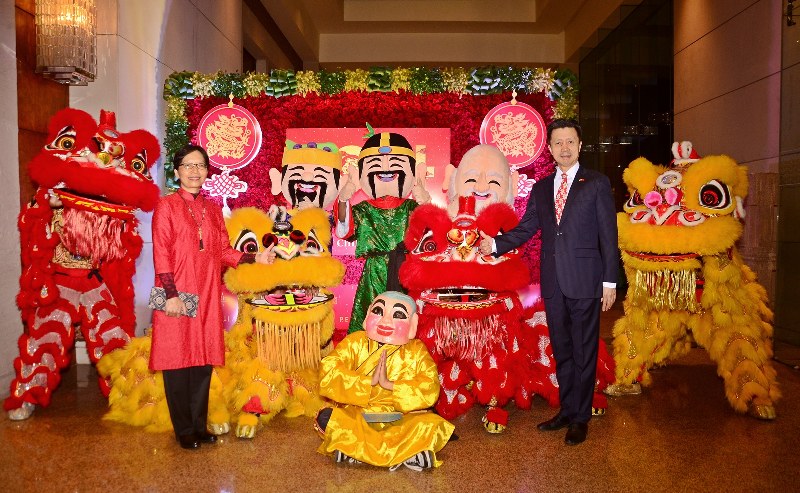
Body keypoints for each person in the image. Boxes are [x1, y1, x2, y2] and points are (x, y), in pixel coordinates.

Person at [479, 119, 618, 445]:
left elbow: (608, 237)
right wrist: (496, 245)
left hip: (586, 281)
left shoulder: (596, 183)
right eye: (558, 143)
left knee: (585, 351)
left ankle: (580, 418)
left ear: (580, 145)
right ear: (551, 148)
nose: (565, 148)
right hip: (554, 282)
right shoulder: (542, 188)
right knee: (563, 350)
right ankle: (567, 411)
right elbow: (528, 227)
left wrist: (610, 282)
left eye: (570, 142)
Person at [149, 144, 274, 449]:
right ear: (177, 171)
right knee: (177, 360)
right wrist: (171, 295)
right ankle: (184, 431)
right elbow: (161, 254)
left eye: (200, 166)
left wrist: (254, 257)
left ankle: (198, 425)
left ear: (207, 171)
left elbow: (223, 251)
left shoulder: (213, 209)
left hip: (206, 293)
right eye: (188, 166)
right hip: (175, 293)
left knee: (202, 360)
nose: (194, 171)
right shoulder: (166, 206)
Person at [315, 291, 454, 470]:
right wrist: (366, 382)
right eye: (379, 311)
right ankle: (409, 453)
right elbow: (328, 369)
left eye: (398, 315)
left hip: (401, 418)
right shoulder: (355, 342)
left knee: (432, 424)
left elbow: (430, 387)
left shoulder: (416, 350)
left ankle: (351, 448)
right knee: (326, 416)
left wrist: (392, 386)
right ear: (366, 317)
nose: (386, 321)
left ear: (413, 325)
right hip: (360, 413)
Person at [335, 132, 430, 333]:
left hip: (406, 269)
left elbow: (431, 235)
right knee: (373, 313)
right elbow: (343, 230)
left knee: (405, 314)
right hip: (374, 270)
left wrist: (426, 204)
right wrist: (344, 199)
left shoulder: (412, 207)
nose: (386, 169)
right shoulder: (363, 209)